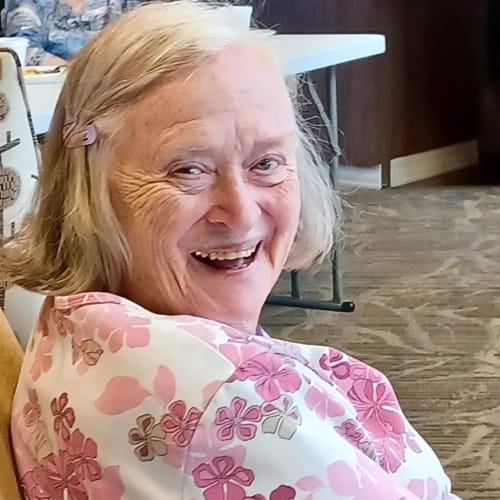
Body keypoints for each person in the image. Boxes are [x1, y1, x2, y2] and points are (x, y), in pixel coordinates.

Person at [3, 2, 461, 498]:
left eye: (265, 162)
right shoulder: (228, 405)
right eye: (188, 169)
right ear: (88, 189)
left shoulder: (79, 321)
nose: (240, 214)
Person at [2, 0, 137, 65]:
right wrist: (71, 75)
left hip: (112, 91)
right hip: (47, 90)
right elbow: (23, 48)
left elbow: (139, 44)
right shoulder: (29, 3)